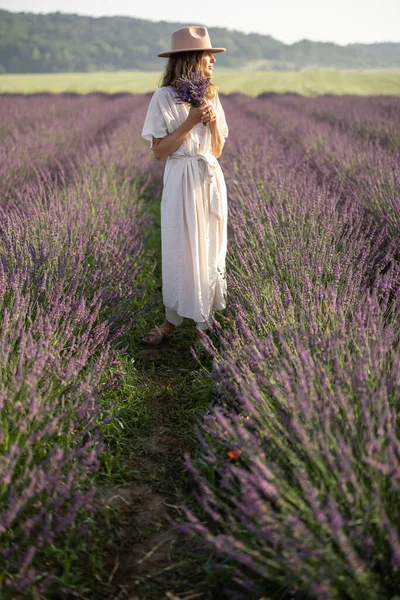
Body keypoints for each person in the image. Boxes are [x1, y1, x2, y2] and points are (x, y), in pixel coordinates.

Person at [141, 26, 229, 346]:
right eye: (208, 56)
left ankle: (205, 320)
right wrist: (191, 121)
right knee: (180, 245)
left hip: (208, 176)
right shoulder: (163, 98)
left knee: (210, 245)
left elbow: (217, 149)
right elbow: (159, 151)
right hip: (180, 177)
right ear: (191, 59)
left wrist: (213, 122)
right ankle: (172, 318)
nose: (213, 62)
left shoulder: (211, 96)